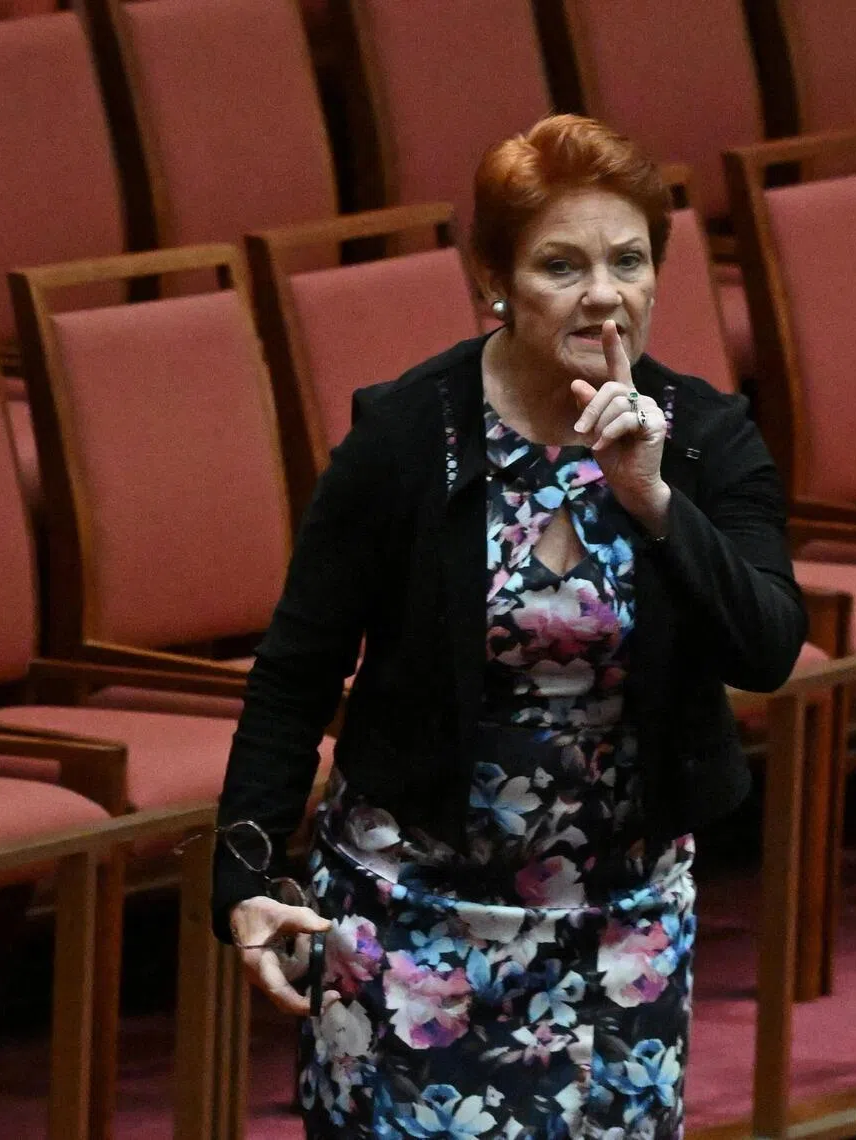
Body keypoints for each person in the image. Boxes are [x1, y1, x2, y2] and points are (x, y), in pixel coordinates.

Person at [212, 114, 807, 1140]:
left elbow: (766, 647)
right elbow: (297, 670)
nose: (603, 293)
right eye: (561, 266)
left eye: (627, 261)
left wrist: (655, 502)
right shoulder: (407, 435)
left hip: (622, 927)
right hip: (414, 920)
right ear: (496, 280)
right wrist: (247, 877)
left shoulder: (704, 440)